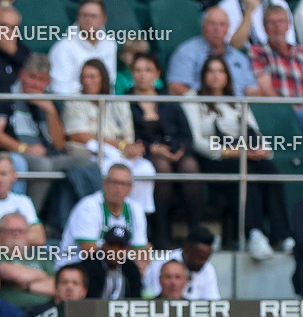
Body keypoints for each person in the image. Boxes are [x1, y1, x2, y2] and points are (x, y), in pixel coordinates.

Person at [183, 55, 291, 259]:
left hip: (245, 154)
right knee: (244, 172)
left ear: (227, 76)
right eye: (210, 71)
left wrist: (264, 151)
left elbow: (257, 133)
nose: (215, 76)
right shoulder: (192, 98)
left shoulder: (237, 100)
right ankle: (254, 233)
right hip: (215, 160)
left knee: (271, 172)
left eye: (220, 71)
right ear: (203, 75)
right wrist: (231, 151)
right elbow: (196, 141)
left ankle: (282, 235)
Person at [0, 53, 92, 214]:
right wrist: (23, 148)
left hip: (49, 155)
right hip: (15, 154)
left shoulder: (48, 100)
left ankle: (77, 219)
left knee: (88, 163)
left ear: (48, 82)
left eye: (41, 79)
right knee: (43, 166)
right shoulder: (4, 94)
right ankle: (30, 219)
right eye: (31, 77)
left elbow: (59, 144)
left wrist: (50, 111)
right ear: (22, 74)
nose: (35, 84)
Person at [63, 59, 156, 215]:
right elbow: (78, 135)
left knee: (146, 169)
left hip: (120, 154)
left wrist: (131, 148)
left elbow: (128, 138)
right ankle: (109, 215)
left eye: (92, 77)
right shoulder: (75, 99)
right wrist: (120, 145)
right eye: (84, 77)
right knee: (112, 171)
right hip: (91, 154)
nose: (87, 81)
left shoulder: (117, 101)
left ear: (103, 78)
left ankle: (136, 215)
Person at [128, 52, 202, 250]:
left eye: (148, 70)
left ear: (157, 74)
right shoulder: (124, 100)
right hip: (145, 153)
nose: (142, 75)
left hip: (174, 151)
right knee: (161, 167)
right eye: (137, 70)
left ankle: (195, 230)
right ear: (131, 73)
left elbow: (186, 134)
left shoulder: (168, 100)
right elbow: (126, 135)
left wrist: (178, 150)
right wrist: (153, 148)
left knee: (190, 165)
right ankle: (161, 232)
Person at [57, 164, 148, 268]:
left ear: (130, 187)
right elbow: (89, 251)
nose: (118, 188)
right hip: (75, 266)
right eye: (114, 182)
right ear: (104, 183)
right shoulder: (88, 207)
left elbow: (141, 251)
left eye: (123, 184)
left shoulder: (136, 209)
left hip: (116, 269)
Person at [167, 7, 259, 97]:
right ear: (203, 27)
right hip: (201, 107)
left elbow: (251, 89)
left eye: (222, 24)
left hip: (237, 108)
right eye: (212, 24)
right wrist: (202, 106)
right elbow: (175, 87)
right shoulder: (186, 52)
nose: (217, 29)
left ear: (228, 28)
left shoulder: (239, 58)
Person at [48, 0, 116, 96]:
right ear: (78, 17)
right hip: (74, 105)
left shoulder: (110, 44)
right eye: (84, 15)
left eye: (93, 16)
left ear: (104, 20)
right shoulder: (63, 47)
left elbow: (111, 80)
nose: (88, 20)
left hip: (104, 104)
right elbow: (60, 88)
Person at [252, 4, 303, 128]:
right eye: (272, 22)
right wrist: (288, 109)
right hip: (280, 112)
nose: (277, 27)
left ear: (288, 25)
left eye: (281, 21)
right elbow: (267, 90)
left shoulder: (300, 52)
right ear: (264, 27)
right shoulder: (259, 52)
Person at [0, 212, 54, 311]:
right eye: (10, 231)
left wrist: (28, 286)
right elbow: (14, 274)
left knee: (83, 312)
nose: (16, 235)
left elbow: (57, 286)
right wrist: (44, 277)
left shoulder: (40, 257)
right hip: (16, 311)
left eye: (21, 231)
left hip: (49, 309)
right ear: (0, 234)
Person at [142, 228, 221, 300]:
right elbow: (154, 300)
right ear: (186, 249)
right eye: (199, 257)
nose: (202, 262)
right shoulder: (161, 264)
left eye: (205, 258)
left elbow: (213, 302)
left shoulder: (208, 269)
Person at [80, 226, 143, 300]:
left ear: (127, 249)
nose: (115, 251)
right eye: (112, 245)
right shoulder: (90, 265)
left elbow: (136, 298)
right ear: (104, 246)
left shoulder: (131, 268)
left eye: (121, 247)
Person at [222, 0, 295, 50]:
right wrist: (249, 11)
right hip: (245, 62)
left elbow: (289, 43)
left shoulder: (279, 3)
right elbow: (234, 46)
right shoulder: (227, 6)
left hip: (276, 58)